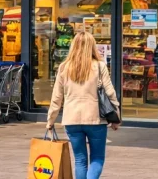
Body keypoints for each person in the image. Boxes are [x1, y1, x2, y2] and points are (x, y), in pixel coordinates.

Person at [46, 32, 120, 179]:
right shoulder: (99, 66)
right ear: (92, 46)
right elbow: (110, 93)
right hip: (95, 119)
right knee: (97, 158)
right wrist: (116, 116)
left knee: (80, 160)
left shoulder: (64, 67)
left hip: (71, 120)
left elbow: (56, 98)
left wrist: (50, 121)